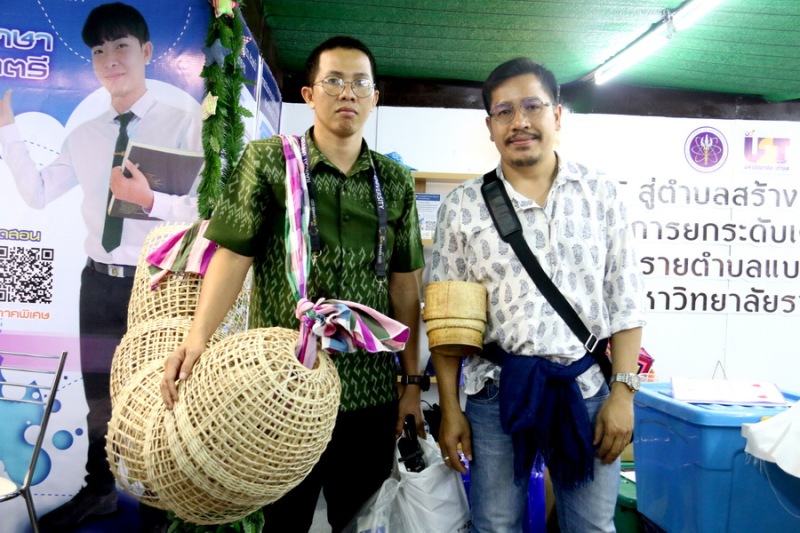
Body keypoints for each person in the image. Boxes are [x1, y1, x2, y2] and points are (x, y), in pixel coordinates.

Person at [160, 36, 425, 532]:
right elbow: (232, 256)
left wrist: (411, 384)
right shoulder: (267, 162)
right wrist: (197, 341)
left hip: (369, 395)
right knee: (282, 523)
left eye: (360, 83)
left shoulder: (394, 181)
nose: (347, 92)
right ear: (309, 94)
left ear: (374, 97)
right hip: (283, 390)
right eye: (334, 81)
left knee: (362, 519)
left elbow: (405, 286)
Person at [0, 3, 201, 531]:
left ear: (146, 52)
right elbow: (38, 193)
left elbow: (204, 214)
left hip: (158, 285)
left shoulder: (184, 124)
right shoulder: (85, 134)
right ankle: (99, 490)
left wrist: (149, 200)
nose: (110, 59)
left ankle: (158, 505)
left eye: (121, 46)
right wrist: (7, 129)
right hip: (98, 283)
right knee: (98, 397)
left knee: (159, 398)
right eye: (99, 50)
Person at [430, 57, 646, 532]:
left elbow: (626, 303)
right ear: (490, 126)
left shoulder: (601, 194)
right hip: (495, 393)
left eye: (532, 106)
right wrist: (450, 410)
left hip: (587, 390)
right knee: (494, 526)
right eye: (504, 111)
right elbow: (446, 327)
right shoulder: (462, 206)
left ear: (557, 115)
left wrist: (623, 395)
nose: (519, 121)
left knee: (591, 527)